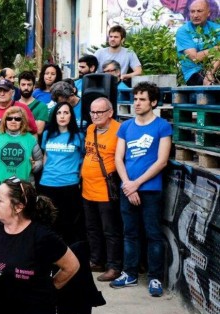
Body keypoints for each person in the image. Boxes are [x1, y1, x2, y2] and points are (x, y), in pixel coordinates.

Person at [0, 177, 80, 314]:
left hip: (34, 308)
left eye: (0, 200)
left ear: (19, 207)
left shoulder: (42, 236)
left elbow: (72, 265)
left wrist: (50, 288)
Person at [111, 82, 172, 298]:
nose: (137, 103)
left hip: (150, 190)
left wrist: (136, 184)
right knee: (130, 233)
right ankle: (129, 273)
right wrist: (128, 185)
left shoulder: (162, 126)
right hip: (128, 189)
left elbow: (162, 161)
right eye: (135, 98)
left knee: (153, 234)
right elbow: (118, 158)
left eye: (142, 99)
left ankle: (155, 277)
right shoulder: (125, 127)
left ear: (153, 102)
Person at [81, 97, 123, 282]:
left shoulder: (119, 130)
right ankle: (96, 260)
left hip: (106, 190)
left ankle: (114, 266)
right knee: (92, 228)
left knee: (110, 230)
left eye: (99, 112)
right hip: (87, 189)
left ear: (110, 112)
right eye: (92, 112)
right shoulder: (90, 129)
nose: (95, 116)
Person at [37, 102, 86, 245]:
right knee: (49, 222)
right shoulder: (47, 134)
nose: (62, 116)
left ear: (71, 115)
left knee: (67, 222)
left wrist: (79, 179)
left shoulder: (78, 136)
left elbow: (83, 159)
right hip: (47, 183)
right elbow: (46, 156)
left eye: (66, 112)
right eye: (59, 113)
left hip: (69, 184)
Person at [0, 106, 43, 192]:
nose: (13, 121)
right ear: (5, 120)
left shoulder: (30, 139)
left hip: (23, 188)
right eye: (9, 118)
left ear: (22, 121)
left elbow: (40, 161)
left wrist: (35, 166)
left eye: (17, 119)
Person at [176, 0, 220, 85]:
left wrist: (210, 72)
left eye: (199, 11)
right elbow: (196, 58)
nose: (195, 15)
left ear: (208, 13)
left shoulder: (217, 28)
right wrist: (216, 48)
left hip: (215, 68)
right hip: (195, 74)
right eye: (192, 11)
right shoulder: (184, 31)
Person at [17, 71, 49, 137]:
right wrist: (33, 123)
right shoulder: (13, 105)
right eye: (23, 84)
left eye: (29, 84)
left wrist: (17, 124)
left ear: (34, 87)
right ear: (19, 86)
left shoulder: (42, 106)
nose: (26, 88)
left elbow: (39, 130)